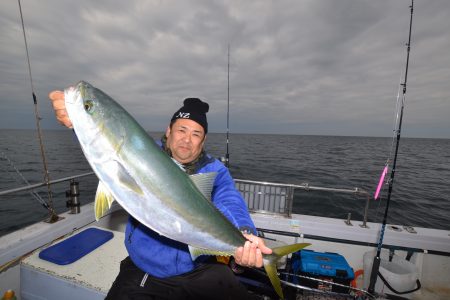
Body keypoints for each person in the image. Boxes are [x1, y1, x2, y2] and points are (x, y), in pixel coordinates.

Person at [48, 90, 272, 300]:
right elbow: (111, 142)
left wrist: (245, 235)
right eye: (181, 130)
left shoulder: (215, 170)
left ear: (203, 141)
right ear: (169, 130)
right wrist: (77, 121)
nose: (187, 139)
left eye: (196, 134)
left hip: (197, 268)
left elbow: (230, 202)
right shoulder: (144, 152)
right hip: (146, 268)